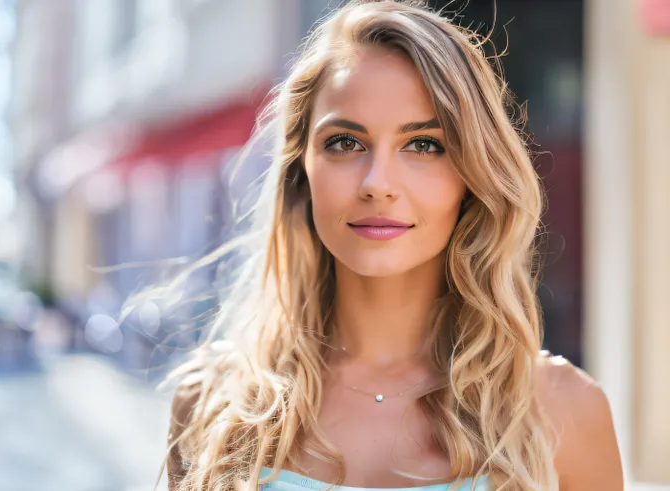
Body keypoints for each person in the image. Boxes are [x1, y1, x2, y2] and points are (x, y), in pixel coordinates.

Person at [162, 1, 623, 489]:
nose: (378, 183)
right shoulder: (213, 402)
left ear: (472, 176)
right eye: (345, 143)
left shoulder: (563, 411)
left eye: (424, 144)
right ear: (302, 170)